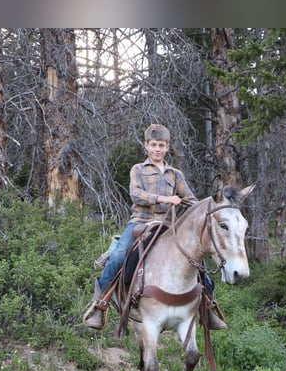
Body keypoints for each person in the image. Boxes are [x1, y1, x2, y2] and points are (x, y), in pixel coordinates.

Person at [83, 123, 226, 331]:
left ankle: (208, 307)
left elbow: (191, 199)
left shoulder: (175, 174)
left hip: (169, 227)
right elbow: (136, 194)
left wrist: (200, 207)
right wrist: (164, 198)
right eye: (153, 145)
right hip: (141, 224)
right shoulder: (138, 170)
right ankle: (100, 304)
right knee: (118, 256)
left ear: (167, 147)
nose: (157, 149)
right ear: (146, 146)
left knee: (197, 263)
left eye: (161, 145)